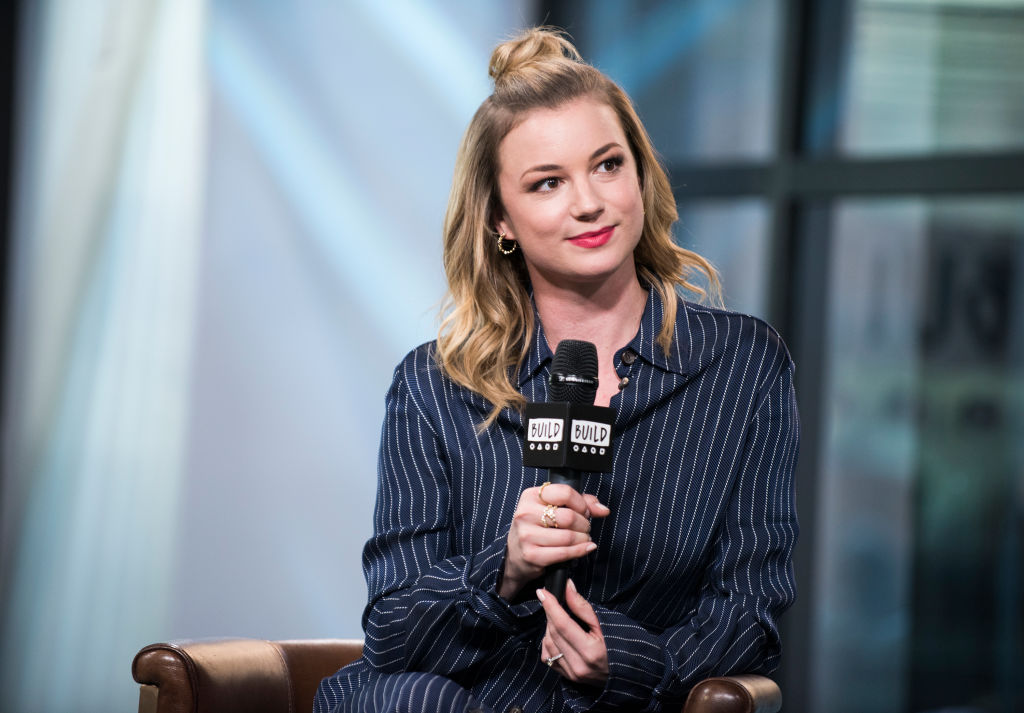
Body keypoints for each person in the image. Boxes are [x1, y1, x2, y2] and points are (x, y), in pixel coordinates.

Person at [314, 27, 798, 713]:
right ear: (500, 220)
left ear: (640, 175)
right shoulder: (433, 385)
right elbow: (391, 633)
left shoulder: (742, 366)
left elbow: (750, 612)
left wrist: (625, 663)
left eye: (607, 166)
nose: (588, 202)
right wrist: (505, 566)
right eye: (547, 183)